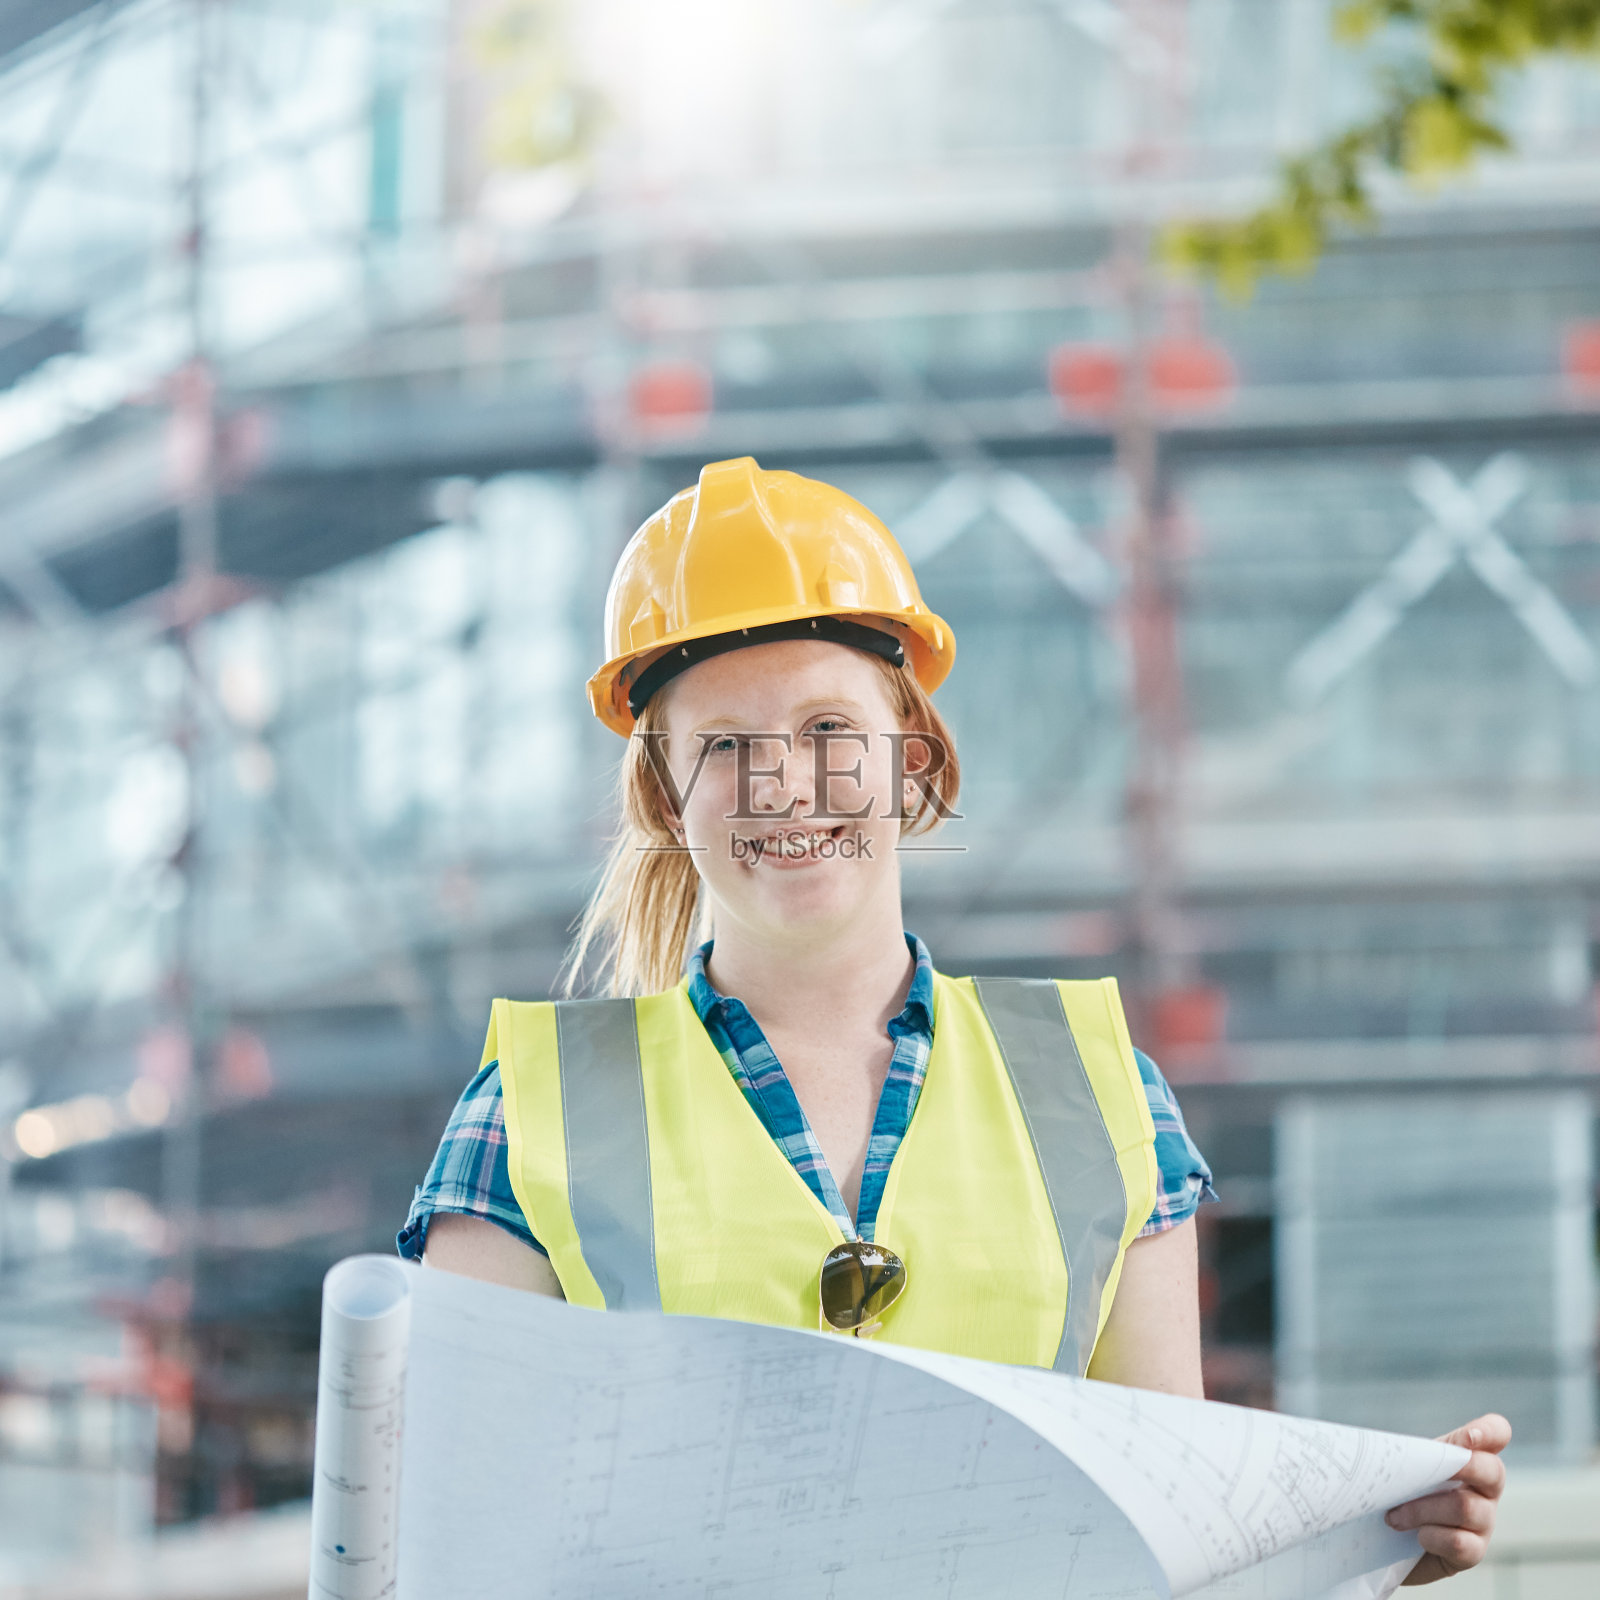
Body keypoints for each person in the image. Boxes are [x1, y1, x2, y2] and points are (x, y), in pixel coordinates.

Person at [399, 456, 1507, 1584]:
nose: (784, 783)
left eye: (828, 725)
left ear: (909, 758)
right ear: (662, 795)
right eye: (726, 744)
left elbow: (1169, 1536)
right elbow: (453, 1541)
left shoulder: (1094, 1089)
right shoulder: (530, 1113)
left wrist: (1355, 1543)